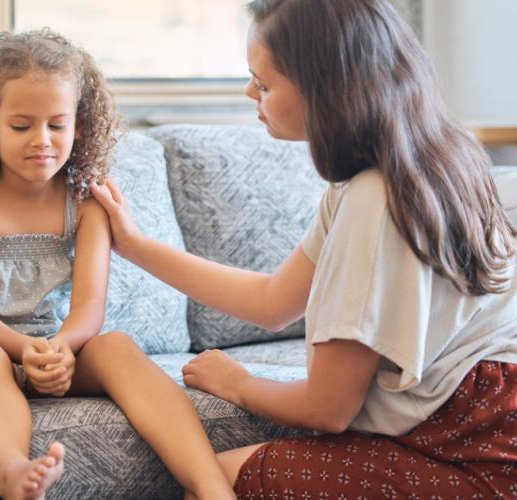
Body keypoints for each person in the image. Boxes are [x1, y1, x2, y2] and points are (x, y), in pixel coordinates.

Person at [90, 0, 517, 497]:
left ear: (327, 89)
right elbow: (273, 302)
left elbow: (327, 409)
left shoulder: (373, 201)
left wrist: (238, 383)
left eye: (264, 84)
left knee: (214, 479)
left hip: (479, 452)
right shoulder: (417, 164)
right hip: (488, 424)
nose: (250, 92)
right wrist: (135, 245)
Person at [0, 30, 235, 500]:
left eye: (57, 125)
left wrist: (60, 349)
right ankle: (13, 474)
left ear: (80, 124)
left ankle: (211, 488)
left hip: (54, 348)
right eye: (22, 126)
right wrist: (29, 353)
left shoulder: (85, 204)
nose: (42, 141)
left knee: (117, 346)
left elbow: (89, 307)